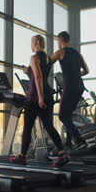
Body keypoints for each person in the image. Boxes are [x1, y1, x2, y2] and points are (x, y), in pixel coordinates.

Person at [10, 35, 69, 167]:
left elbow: (38, 76)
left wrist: (40, 98)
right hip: (48, 94)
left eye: (31, 42)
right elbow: (38, 73)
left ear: (36, 43)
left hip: (35, 97)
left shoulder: (34, 57)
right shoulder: (48, 58)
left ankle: (23, 156)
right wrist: (28, 71)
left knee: (27, 127)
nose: (31, 45)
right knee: (48, 126)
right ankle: (62, 153)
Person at [51, 31, 89, 150]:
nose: (57, 43)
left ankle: (79, 139)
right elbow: (86, 70)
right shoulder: (78, 54)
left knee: (62, 116)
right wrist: (76, 76)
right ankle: (68, 143)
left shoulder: (60, 52)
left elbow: (46, 64)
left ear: (61, 40)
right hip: (79, 87)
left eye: (58, 41)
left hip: (70, 87)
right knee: (68, 116)